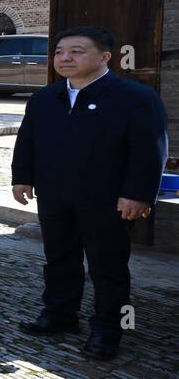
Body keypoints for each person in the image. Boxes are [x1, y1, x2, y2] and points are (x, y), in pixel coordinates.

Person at [12, 27, 167, 360]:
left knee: (107, 266)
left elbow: (149, 151)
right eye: (59, 52)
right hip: (55, 195)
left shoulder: (135, 98)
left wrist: (138, 194)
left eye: (77, 51)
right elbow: (27, 141)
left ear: (105, 57)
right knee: (59, 259)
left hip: (107, 199)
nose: (65, 58)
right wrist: (21, 178)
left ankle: (110, 330)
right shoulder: (45, 98)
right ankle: (59, 314)